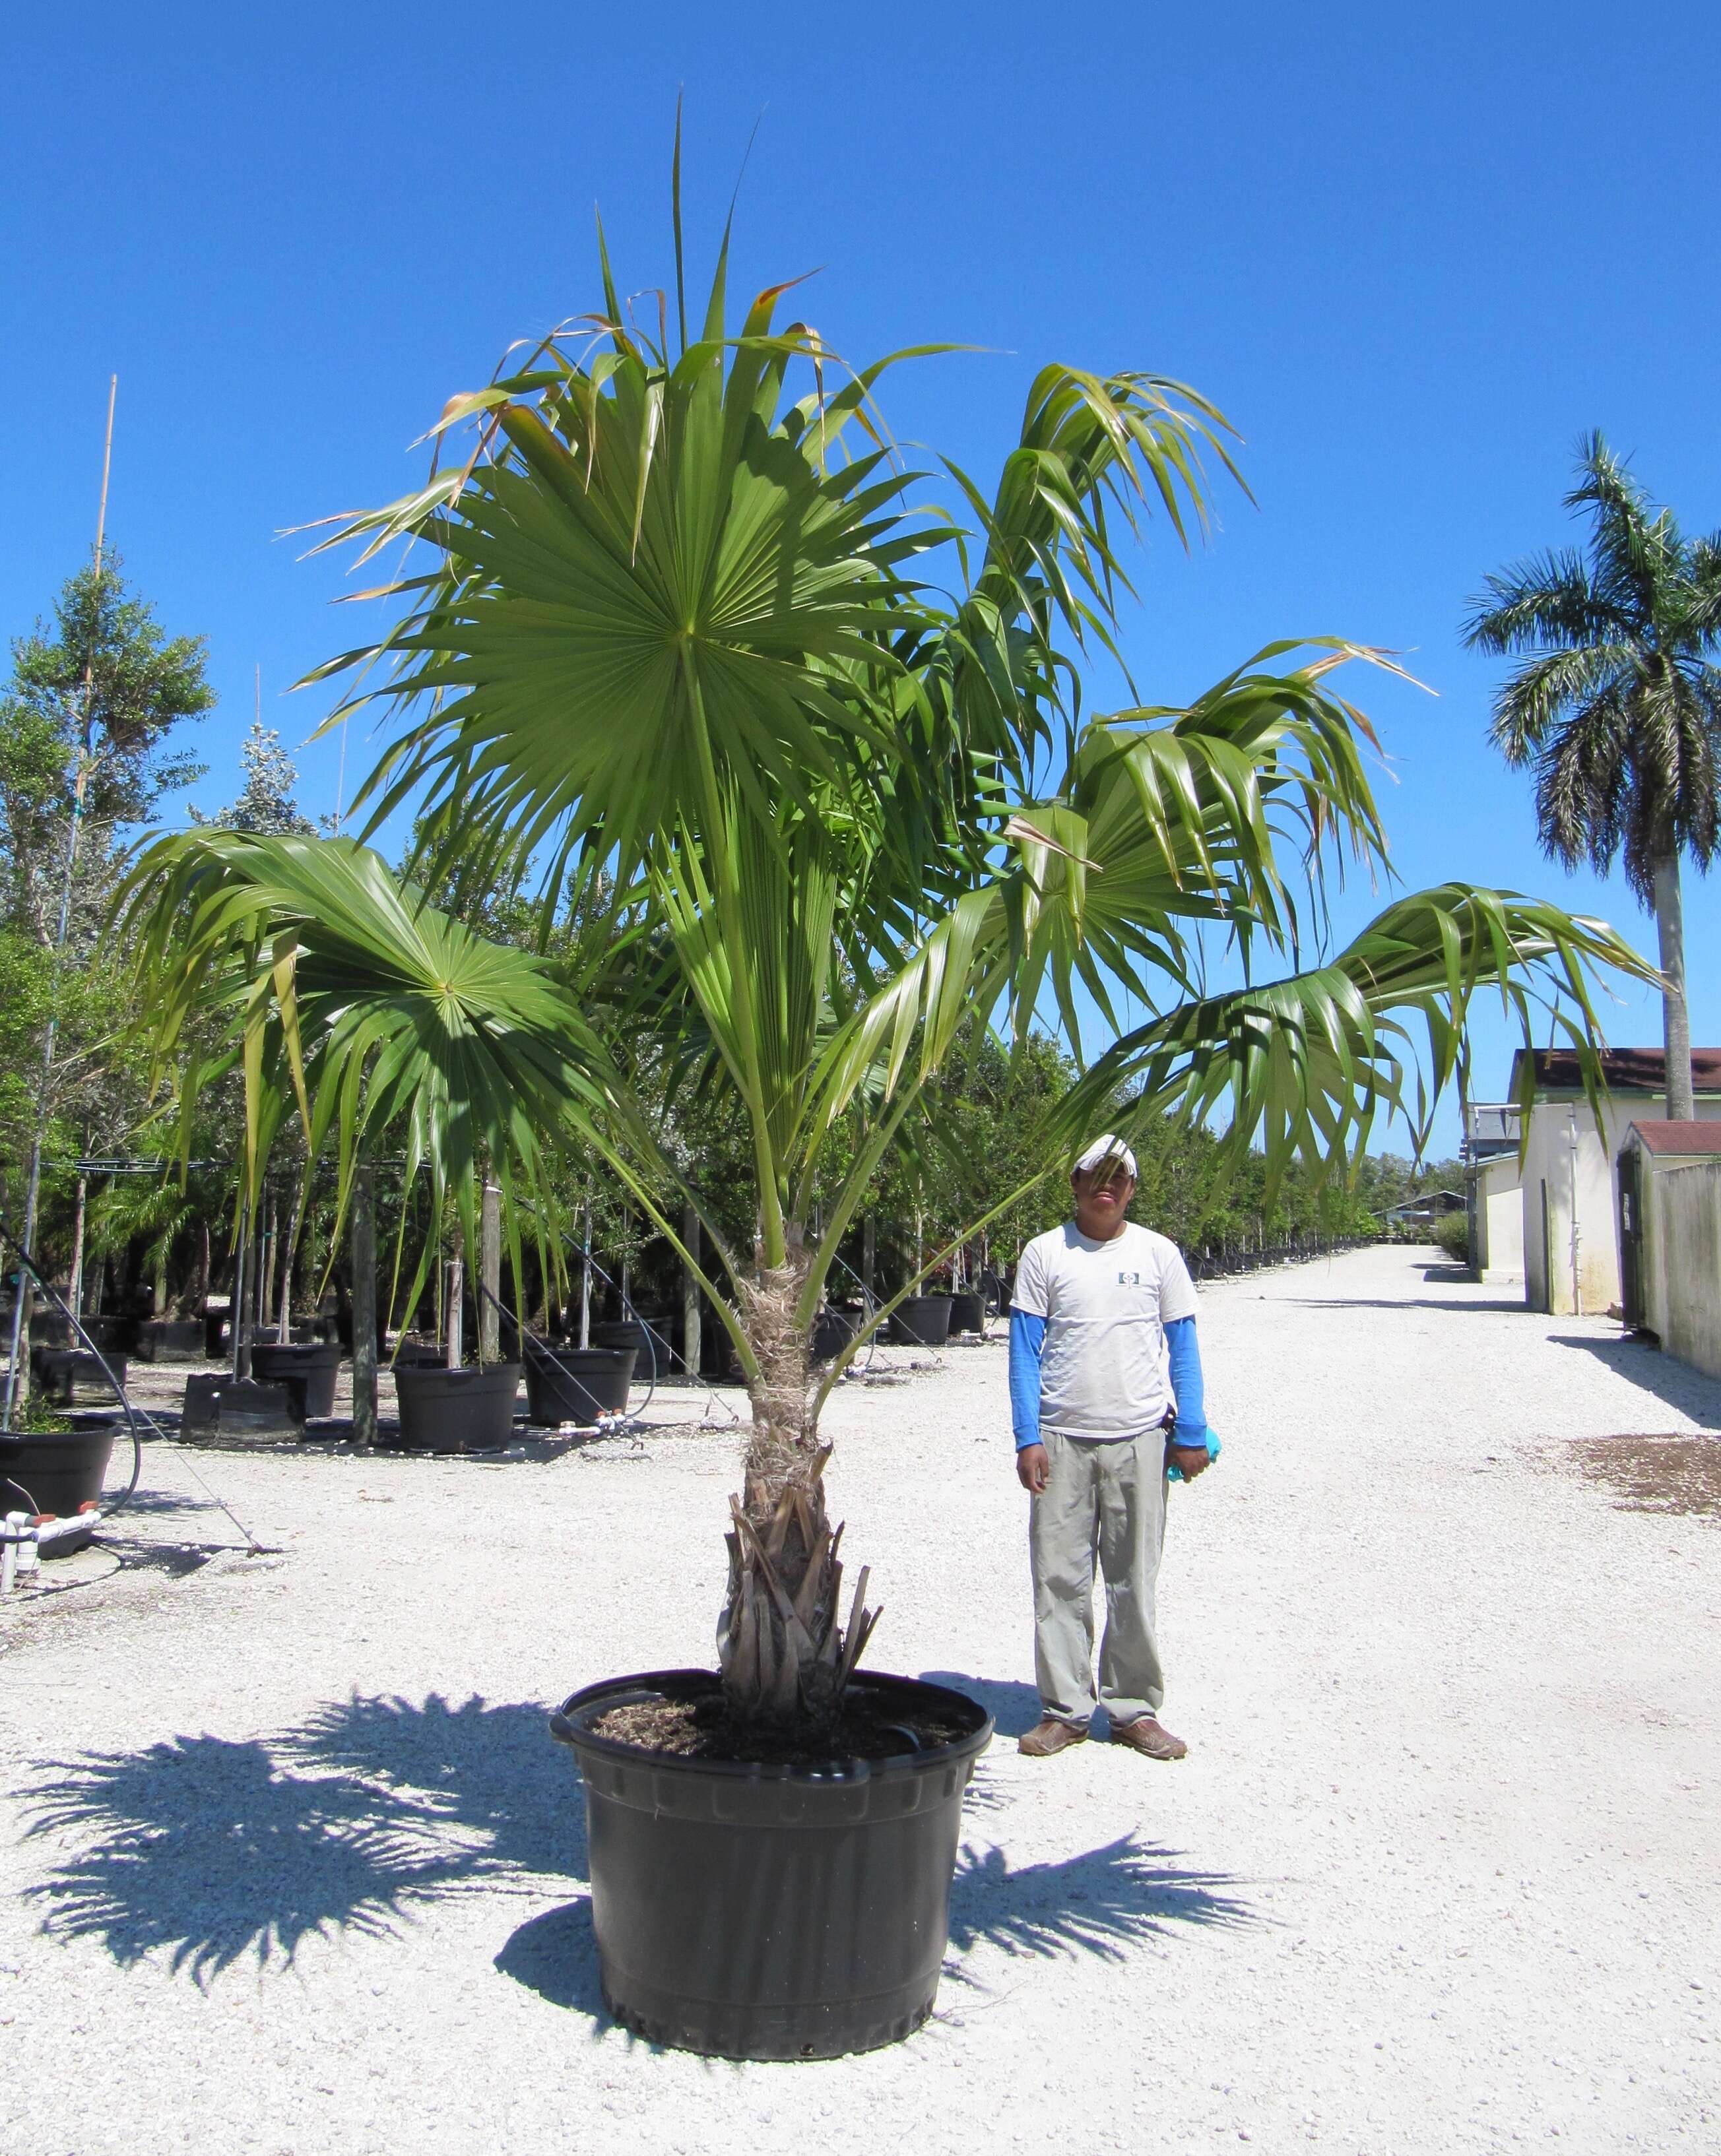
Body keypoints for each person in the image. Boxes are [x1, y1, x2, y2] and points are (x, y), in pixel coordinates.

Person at [1008, 1134, 1218, 1760]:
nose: (1108, 1184)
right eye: (1095, 1174)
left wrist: (1191, 1432)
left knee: (1134, 1580)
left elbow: (1182, 1345)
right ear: (1074, 1183)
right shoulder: (1045, 1253)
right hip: (1062, 1441)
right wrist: (1028, 1437)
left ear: (1132, 1187)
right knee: (1058, 1579)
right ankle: (1065, 1710)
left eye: (1119, 1176)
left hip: (1140, 1441)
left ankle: (1132, 1709)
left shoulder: (1158, 1254)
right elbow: (1023, 1351)